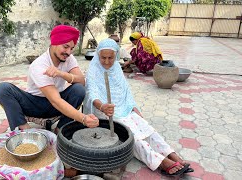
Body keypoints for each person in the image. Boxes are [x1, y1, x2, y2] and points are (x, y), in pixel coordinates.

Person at [83, 38, 194, 176]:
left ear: (116, 55)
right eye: (103, 57)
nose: (106, 62)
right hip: (103, 111)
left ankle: (173, 155)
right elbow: (92, 93)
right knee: (132, 134)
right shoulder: (93, 70)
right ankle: (161, 162)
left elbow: (125, 90)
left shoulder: (116, 67)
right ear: (98, 55)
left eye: (110, 58)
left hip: (122, 107)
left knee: (146, 127)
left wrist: (133, 106)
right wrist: (103, 106)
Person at [0, 25, 99, 132]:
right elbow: (55, 101)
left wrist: (61, 74)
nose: (68, 52)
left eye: (71, 48)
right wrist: (83, 118)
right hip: (34, 105)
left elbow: (81, 81)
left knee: (79, 89)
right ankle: (24, 131)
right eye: (65, 46)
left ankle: (61, 129)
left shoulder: (69, 58)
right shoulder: (39, 64)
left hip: (56, 106)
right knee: (3, 89)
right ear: (54, 43)